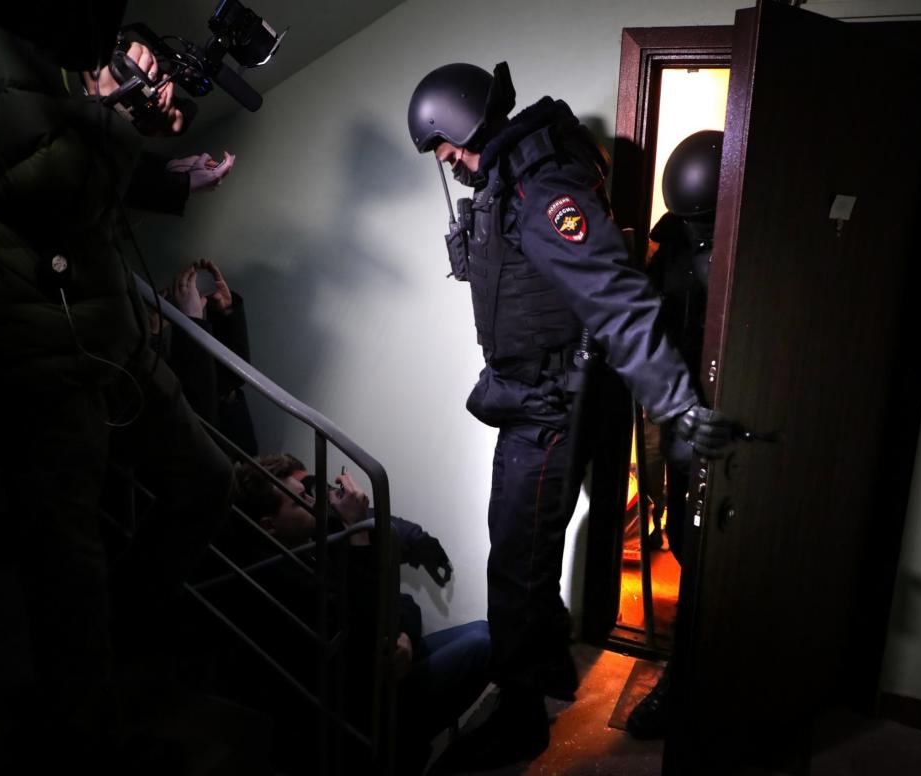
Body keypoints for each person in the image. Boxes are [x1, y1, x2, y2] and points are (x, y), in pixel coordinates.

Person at [406, 62, 741, 769]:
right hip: (540, 395)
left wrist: (678, 402)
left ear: (468, 123)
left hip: (546, 406)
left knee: (516, 567)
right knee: (532, 556)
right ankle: (552, 669)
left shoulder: (540, 187)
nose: (444, 159)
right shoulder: (513, 176)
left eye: (444, 142)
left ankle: (521, 715)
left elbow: (617, 298)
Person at [0, 25, 233, 772]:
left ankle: (113, 651)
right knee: (66, 564)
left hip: (113, 338)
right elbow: (48, 179)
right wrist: (123, 110)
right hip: (36, 353)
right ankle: (87, 736)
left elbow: (80, 160)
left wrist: (172, 173)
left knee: (206, 482)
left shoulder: (66, 62)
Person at [226, 455, 489, 775]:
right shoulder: (276, 583)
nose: (311, 500)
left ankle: (413, 749)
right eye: (298, 500)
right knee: (481, 645)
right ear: (270, 526)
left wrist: (404, 634)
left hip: (387, 669)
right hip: (365, 708)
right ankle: (406, 753)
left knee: (485, 630)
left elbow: (401, 603)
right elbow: (365, 630)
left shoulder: (312, 541)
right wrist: (357, 533)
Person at [625, 129, 724, 740]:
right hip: (677, 401)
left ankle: (704, 673)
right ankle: (685, 673)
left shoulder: (753, 239)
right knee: (690, 546)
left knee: (725, 557)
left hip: (731, 409)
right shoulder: (670, 245)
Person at [154, 258, 259, 455]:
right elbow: (228, 386)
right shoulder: (249, 462)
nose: (299, 485)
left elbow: (194, 415)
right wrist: (224, 313)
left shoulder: (240, 472)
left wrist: (189, 324)